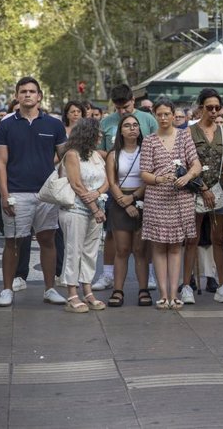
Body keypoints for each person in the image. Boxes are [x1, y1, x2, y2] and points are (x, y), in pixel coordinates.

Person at [0, 77, 67, 307]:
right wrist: (4, 195)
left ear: (39, 96)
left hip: (46, 193)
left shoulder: (54, 125)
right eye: (23, 91)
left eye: (32, 91)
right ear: (17, 95)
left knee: (48, 240)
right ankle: (7, 289)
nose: (27, 95)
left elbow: (67, 156)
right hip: (17, 192)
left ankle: (49, 289)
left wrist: (63, 186)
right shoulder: (5, 125)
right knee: (13, 242)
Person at [94, 84, 158, 291]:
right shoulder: (106, 122)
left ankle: (147, 276)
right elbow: (99, 151)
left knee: (144, 236)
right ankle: (108, 274)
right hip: (115, 183)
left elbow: (157, 147)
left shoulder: (148, 120)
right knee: (112, 234)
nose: (122, 112)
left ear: (134, 100)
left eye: (127, 107)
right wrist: (115, 155)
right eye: (119, 109)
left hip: (144, 186)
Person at [140, 98, 201, 310]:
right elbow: (145, 172)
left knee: (176, 247)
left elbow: (196, 163)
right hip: (157, 198)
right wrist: (158, 179)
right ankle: (163, 294)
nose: (164, 118)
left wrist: (188, 177)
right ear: (155, 116)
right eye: (160, 114)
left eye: (167, 114)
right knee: (158, 247)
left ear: (174, 115)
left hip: (180, 198)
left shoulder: (184, 136)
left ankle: (175, 294)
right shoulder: (149, 140)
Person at [181, 88, 223, 305]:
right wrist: (202, 188)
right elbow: (183, 164)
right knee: (192, 239)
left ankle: (222, 285)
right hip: (196, 189)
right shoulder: (189, 132)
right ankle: (186, 285)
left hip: (220, 192)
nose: (213, 111)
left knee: (218, 239)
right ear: (201, 107)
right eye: (209, 107)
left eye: (217, 107)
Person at [58, 119, 108, 313]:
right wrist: (95, 207)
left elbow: (107, 182)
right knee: (74, 251)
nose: (101, 136)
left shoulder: (96, 155)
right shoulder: (71, 155)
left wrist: (97, 195)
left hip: (97, 209)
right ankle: (71, 294)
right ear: (88, 134)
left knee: (91, 252)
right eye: (98, 133)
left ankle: (87, 291)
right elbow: (76, 184)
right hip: (75, 210)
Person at [104, 114, 150, 307]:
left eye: (135, 125)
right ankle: (118, 290)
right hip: (119, 201)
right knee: (122, 249)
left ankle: (143, 290)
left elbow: (148, 179)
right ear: (120, 131)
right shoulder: (113, 154)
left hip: (142, 199)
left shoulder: (146, 151)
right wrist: (125, 203)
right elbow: (111, 182)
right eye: (127, 125)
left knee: (140, 250)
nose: (132, 128)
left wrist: (134, 198)